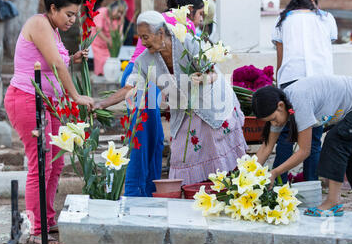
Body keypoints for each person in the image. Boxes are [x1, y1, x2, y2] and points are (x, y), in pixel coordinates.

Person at [97, 10, 248, 187]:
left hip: (211, 105)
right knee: (182, 155)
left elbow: (212, 72)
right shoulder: (145, 60)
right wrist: (101, 104)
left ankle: (222, 192)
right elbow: (129, 88)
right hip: (183, 110)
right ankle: (194, 196)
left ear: (161, 33)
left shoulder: (187, 42)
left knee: (215, 150)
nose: (143, 43)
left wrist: (203, 78)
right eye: (141, 38)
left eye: (146, 37)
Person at [4, 0, 94, 244]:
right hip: (27, 99)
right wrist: (76, 95)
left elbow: (55, 60)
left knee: (55, 163)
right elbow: (54, 62)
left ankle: (48, 219)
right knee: (40, 164)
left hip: (49, 102)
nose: (73, 20)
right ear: (53, 8)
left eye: (75, 15)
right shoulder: (39, 23)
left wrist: (73, 58)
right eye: (69, 14)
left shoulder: (52, 28)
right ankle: (35, 227)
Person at [252, 75, 352, 216]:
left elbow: (304, 151)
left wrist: (274, 172)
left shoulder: (298, 101)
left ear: (280, 106)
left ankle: (332, 202)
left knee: (336, 139)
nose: (274, 124)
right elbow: (266, 147)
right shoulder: (283, 108)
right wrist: (247, 178)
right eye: (270, 122)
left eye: (274, 119)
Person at [113, 0, 205, 197]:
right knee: (141, 140)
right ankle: (134, 192)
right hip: (142, 74)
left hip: (149, 75)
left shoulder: (163, 18)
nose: (200, 21)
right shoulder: (183, 26)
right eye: (200, 15)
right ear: (190, 10)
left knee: (153, 139)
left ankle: (150, 191)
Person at [271, 0, 338, 184]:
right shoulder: (326, 18)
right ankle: (311, 187)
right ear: (313, 3)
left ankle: (278, 186)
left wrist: (279, 86)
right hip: (322, 83)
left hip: (292, 81)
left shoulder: (283, 19)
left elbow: (280, 57)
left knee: (286, 134)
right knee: (314, 138)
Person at [84, 0, 126, 76]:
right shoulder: (102, 12)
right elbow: (98, 30)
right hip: (98, 41)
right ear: (112, 8)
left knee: (111, 61)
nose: (119, 14)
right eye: (118, 12)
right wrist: (108, 41)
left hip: (110, 46)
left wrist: (119, 43)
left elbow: (120, 34)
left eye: (121, 13)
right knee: (101, 63)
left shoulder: (120, 19)